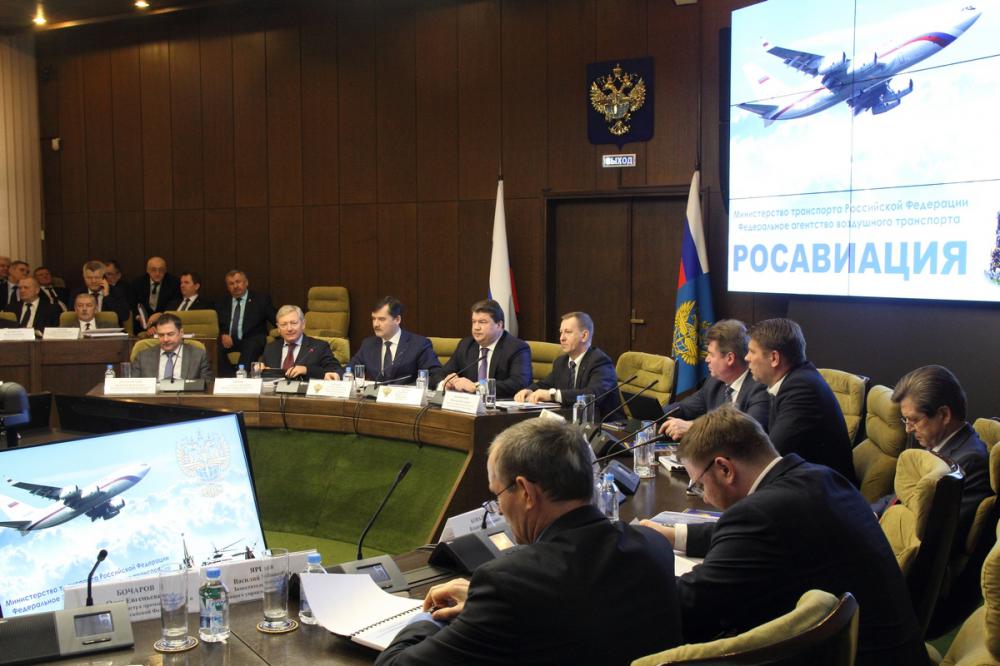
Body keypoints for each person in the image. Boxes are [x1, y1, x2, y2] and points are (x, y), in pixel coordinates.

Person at [376, 418, 682, 665]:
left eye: (497, 495)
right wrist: (483, 608)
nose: (499, 509)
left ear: (525, 492)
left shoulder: (507, 584)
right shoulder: (653, 546)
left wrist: (428, 617)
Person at [641, 405, 926, 665]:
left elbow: (690, 609)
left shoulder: (759, 516)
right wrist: (672, 535)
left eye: (700, 484)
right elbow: (758, 531)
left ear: (724, 468)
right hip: (896, 651)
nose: (704, 498)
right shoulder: (820, 477)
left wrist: (636, 574)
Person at [873, 365, 991, 551]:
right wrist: (871, 514)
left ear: (944, 415)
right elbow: (899, 496)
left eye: (914, 420)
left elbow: (934, 534)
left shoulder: (968, 463)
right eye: (906, 420)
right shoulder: (937, 443)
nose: (908, 429)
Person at [744, 317, 855, 483]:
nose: (747, 358)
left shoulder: (802, 389)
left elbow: (772, 455)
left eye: (752, 352)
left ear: (774, 358)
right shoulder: (794, 380)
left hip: (822, 490)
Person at [659, 319, 769, 440]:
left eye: (711, 354)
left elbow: (749, 433)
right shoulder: (714, 382)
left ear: (730, 358)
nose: (707, 359)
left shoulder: (759, 387)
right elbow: (684, 408)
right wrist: (653, 415)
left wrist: (693, 428)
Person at [514, 311, 621, 419]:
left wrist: (553, 395)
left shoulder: (600, 361)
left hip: (603, 424)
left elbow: (592, 395)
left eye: (568, 332)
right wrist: (529, 390)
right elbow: (545, 384)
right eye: (561, 332)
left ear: (584, 336)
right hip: (569, 421)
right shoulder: (561, 362)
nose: (562, 338)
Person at [435, 299, 531, 399]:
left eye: (482, 322)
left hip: (500, 405)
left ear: (499, 325)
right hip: (468, 405)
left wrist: (478, 387)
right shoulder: (466, 345)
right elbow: (439, 374)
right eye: (474, 322)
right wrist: (446, 383)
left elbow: (519, 383)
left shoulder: (516, 347)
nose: (476, 327)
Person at [340, 296, 440, 384]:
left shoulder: (419, 344)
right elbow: (349, 370)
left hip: (404, 398)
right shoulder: (368, 344)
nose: (376, 324)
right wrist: (336, 375)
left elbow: (435, 375)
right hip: (374, 398)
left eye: (381, 319)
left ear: (397, 320)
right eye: (373, 319)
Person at [215, 269, 276, 377]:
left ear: (246, 282)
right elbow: (217, 325)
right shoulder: (222, 302)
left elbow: (275, 319)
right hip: (230, 340)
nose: (235, 286)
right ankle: (228, 378)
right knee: (214, 348)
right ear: (227, 287)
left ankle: (240, 378)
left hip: (253, 338)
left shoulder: (260, 299)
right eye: (231, 284)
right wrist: (223, 335)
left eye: (238, 282)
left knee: (251, 345)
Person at [262, 305, 342, 380]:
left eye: (294, 323)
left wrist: (306, 370)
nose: (289, 329)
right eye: (283, 325)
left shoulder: (319, 347)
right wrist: (261, 370)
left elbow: (336, 371)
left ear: (303, 324)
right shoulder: (271, 348)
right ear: (278, 328)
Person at [132, 313, 213, 381]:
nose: (165, 339)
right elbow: (134, 387)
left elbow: (207, 386)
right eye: (161, 335)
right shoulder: (142, 357)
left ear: (181, 333)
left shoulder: (198, 356)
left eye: (170, 334)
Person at [146, 271, 214, 331]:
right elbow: (164, 320)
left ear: (196, 286)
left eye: (186, 283)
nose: (182, 285)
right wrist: (153, 328)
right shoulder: (172, 304)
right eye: (181, 283)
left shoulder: (205, 305)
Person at [76, 260, 129, 326]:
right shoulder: (77, 293)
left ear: (104, 278)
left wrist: (107, 296)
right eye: (89, 278)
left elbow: (124, 316)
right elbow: (72, 317)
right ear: (84, 277)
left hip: (111, 330)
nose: (93, 281)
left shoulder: (116, 291)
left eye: (97, 277)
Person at [130, 256, 180, 325]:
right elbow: (132, 304)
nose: (157, 273)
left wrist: (161, 314)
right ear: (147, 270)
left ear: (165, 270)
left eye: (161, 270)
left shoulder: (174, 283)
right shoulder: (137, 283)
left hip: (165, 322)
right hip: (142, 324)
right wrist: (138, 317)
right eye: (153, 270)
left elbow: (175, 304)